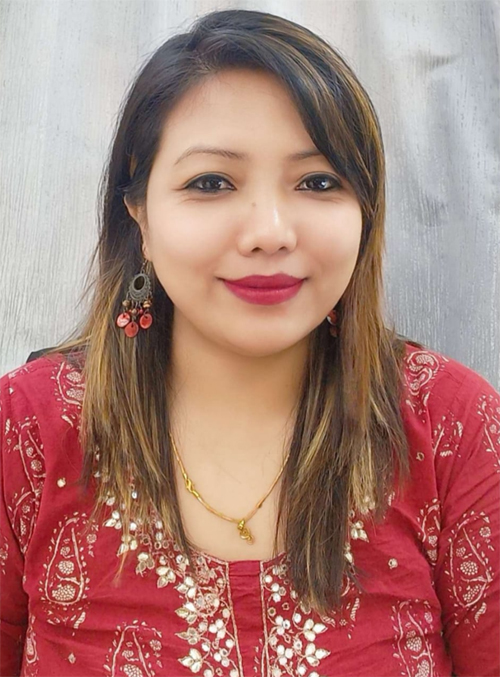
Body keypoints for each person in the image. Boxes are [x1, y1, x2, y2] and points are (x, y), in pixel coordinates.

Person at [1, 8, 499, 677]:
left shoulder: (453, 426)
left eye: (318, 182)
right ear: (140, 211)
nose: (269, 232)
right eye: (211, 182)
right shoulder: (26, 431)